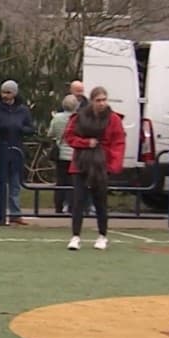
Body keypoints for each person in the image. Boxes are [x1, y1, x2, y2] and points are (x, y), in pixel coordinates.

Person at [64, 87, 125, 250]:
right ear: (91, 101)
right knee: (78, 201)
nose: (102, 103)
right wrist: (86, 143)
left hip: (102, 164)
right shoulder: (79, 117)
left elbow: (118, 143)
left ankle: (102, 235)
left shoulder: (114, 119)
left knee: (101, 202)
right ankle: (75, 236)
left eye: (104, 99)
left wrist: (113, 166)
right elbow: (69, 137)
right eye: (98, 100)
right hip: (81, 163)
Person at [0, 79, 34, 225]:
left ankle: (15, 213)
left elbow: (31, 129)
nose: (5, 95)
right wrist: (1, 127)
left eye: (8, 92)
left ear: (15, 93)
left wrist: (20, 129)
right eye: (3, 92)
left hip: (15, 152)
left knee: (15, 185)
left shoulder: (23, 110)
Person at [47, 95, 80, 215]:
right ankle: (72, 207)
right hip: (74, 154)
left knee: (60, 181)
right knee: (73, 182)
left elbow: (50, 134)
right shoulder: (78, 119)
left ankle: (58, 207)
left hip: (61, 154)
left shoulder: (57, 118)